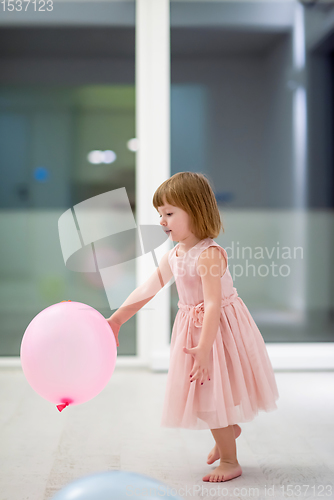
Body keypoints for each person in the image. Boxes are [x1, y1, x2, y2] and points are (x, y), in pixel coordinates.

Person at [106, 171, 279, 483]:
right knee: (202, 398)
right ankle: (229, 430)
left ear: (196, 211)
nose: (162, 221)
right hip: (192, 329)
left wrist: (204, 348)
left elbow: (212, 303)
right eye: (160, 214)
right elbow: (150, 286)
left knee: (212, 397)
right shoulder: (175, 254)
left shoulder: (208, 255)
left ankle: (229, 460)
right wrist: (117, 319)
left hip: (217, 331)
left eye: (169, 213)